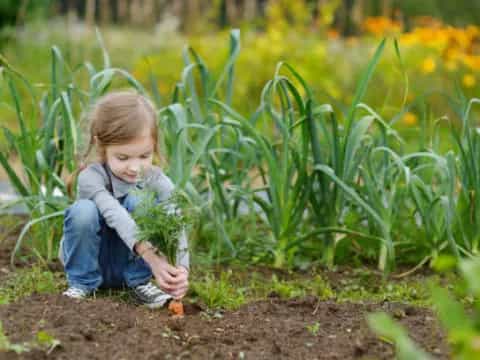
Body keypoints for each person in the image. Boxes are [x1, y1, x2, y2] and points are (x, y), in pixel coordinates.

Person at [59, 91, 189, 309]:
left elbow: (176, 221)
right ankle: (81, 284)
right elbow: (115, 215)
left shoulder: (157, 180)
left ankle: (139, 283)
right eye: (123, 157)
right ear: (101, 145)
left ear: (154, 146)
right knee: (83, 211)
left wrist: (182, 269)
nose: (134, 167)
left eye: (144, 156)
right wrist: (151, 257)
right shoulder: (91, 177)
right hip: (95, 261)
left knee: (143, 202)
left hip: (133, 266)